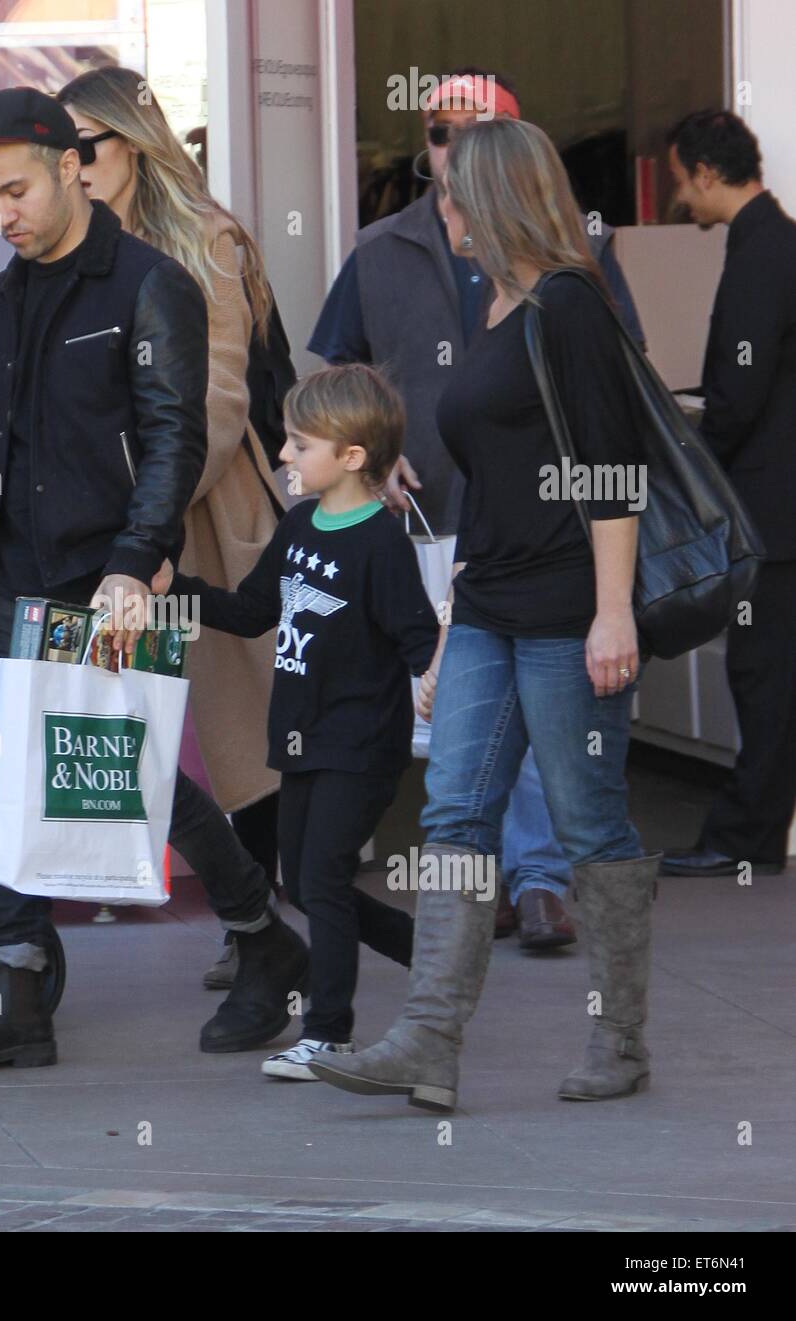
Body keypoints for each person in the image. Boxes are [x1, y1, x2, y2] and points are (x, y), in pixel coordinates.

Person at [0, 88, 307, 1074]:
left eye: (12, 192)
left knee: (125, 777)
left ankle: (265, 940)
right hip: (8, 584)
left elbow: (174, 440)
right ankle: (15, 995)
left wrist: (135, 565)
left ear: (67, 166)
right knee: (19, 781)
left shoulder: (148, 283)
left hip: (101, 582)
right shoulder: (1, 304)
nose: (0, 215)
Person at [309, 118, 662, 1110]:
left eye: (452, 193)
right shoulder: (501, 306)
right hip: (491, 604)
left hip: (564, 616)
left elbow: (612, 471)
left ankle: (619, 1040)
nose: (441, 210)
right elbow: (499, 488)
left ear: (497, 197)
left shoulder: (568, 308)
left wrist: (610, 615)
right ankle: (427, 1037)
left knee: (590, 826)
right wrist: (454, 620)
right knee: (455, 812)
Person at [56, 65, 287, 990]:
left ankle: (262, 920)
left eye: (86, 148)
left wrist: (142, 525)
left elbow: (218, 403)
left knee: (247, 743)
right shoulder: (85, 249)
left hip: (209, 523)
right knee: (119, 724)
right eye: (60, 153)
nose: (72, 167)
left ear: (133, 143)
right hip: (121, 527)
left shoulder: (205, 240)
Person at [170, 365, 435, 1079]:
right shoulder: (297, 525)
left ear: (352, 456)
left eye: (298, 443)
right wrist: (174, 594)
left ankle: (329, 1033)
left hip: (360, 745)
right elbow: (254, 611)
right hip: (299, 741)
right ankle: (432, 951)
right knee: (305, 883)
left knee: (319, 876)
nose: (283, 455)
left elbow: (418, 636)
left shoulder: (381, 543)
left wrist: (435, 673)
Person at [660, 110, 796, 879]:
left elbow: (739, 396)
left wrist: (692, 463)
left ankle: (745, 835)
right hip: (784, 507)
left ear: (707, 173)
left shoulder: (759, 255)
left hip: (773, 514)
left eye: (681, 181)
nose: (680, 199)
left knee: (762, 672)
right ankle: (753, 831)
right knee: (772, 672)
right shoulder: (780, 243)